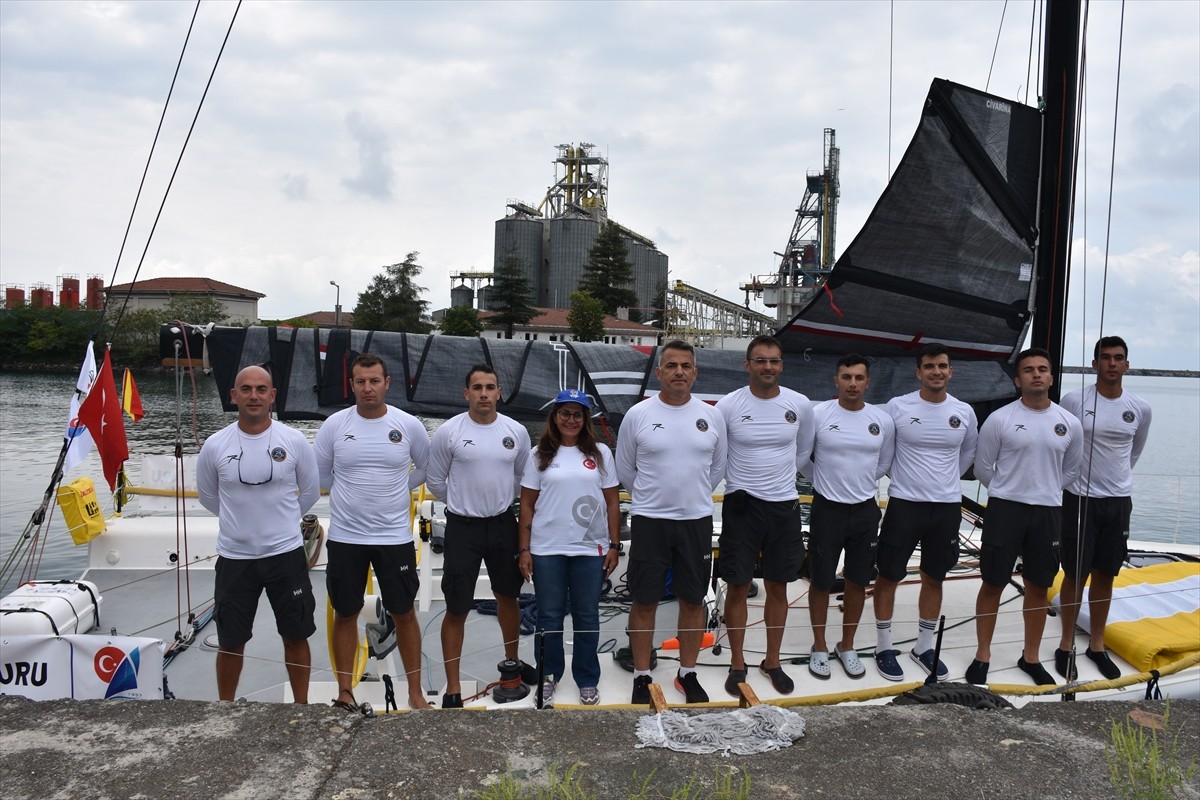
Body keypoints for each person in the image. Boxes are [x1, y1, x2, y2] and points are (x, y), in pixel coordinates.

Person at [314, 354, 432, 711]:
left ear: (387, 383)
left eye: (374, 381)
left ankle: (415, 693)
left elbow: (423, 468)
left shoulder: (408, 425)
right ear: (352, 385)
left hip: (393, 538)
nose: (368, 388)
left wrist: (397, 488)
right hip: (347, 537)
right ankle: (345, 691)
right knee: (345, 612)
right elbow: (321, 476)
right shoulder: (334, 425)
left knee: (404, 612)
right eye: (361, 381)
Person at [197, 364, 320, 702]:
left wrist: (279, 522)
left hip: (285, 556)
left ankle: (301, 705)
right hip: (236, 559)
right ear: (233, 395)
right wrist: (241, 522)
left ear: (272, 396)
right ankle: (225, 706)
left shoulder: (293, 441)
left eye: (261, 389)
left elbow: (309, 491)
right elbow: (208, 496)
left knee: (296, 635)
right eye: (246, 389)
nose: (254, 396)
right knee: (231, 640)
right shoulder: (215, 445)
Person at [616, 340, 727, 705]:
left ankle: (686, 672)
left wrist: (690, 495)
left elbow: (717, 467)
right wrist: (653, 496)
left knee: (692, 600)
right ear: (660, 372)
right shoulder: (639, 415)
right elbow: (625, 468)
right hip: (650, 520)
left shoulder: (711, 416)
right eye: (672, 365)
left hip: (695, 520)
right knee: (644, 600)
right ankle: (643, 674)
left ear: (695, 373)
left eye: (686, 366)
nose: (679, 372)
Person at [968, 347, 1083, 686]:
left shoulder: (1069, 423)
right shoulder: (1000, 419)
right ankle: (982, 654)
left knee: (1038, 586)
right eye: (1029, 370)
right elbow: (982, 468)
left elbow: (1072, 470)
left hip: (1048, 512)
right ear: (1018, 380)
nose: (1036, 374)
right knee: (993, 582)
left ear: (1050, 377)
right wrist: (1011, 490)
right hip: (1005, 509)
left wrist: (1043, 490)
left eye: (1042, 369)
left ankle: (1030, 657)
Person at [427, 363, 533, 708]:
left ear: (499, 392)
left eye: (490, 387)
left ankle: (512, 666)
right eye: (477, 388)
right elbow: (436, 480)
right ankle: (453, 686)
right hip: (462, 527)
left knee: (507, 597)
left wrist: (495, 501)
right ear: (466, 394)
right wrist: (463, 502)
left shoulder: (516, 431)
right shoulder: (449, 432)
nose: (484, 394)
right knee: (457, 606)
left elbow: (522, 480)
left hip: (503, 524)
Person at [715, 334, 814, 696]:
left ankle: (772, 660)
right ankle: (737, 661)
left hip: (783, 505)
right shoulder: (727, 406)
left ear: (781, 365)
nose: (767, 367)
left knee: (778, 586)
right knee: (738, 586)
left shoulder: (799, 405)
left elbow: (803, 451)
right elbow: (719, 456)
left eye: (773, 360)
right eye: (760, 360)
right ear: (747, 365)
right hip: (742, 505)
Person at [873, 344, 978, 682]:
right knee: (889, 575)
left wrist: (942, 483)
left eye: (942, 366)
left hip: (946, 507)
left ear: (951, 372)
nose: (936, 371)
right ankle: (883, 646)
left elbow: (967, 456)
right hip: (905, 503)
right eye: (929, 366)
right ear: (918, 372)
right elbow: (886, 456)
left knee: (935, 576)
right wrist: (910, 481)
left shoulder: (964, 411)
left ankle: (924, 645)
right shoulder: (898, 407)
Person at [1055, 336, 1152, 680]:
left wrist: (1116, 484)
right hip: (1080, 498)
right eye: (1106, 358)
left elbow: (1133, 452)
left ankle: (1097, 645)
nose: (1112, 363)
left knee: (1106, 575)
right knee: (1076, 574)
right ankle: (1066, 645)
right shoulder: (1074, 400)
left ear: (1127, 365)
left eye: (1119, 358)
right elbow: (1061, 443)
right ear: (1095, 365)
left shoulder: (1139, 408)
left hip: (1117, 501)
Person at [517, 389, 620, 706]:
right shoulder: (539, 455)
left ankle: (587, 678)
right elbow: (527, 505)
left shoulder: (601, 453)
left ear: (585, 418)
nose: (571, 419)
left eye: (578, 414)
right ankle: (548, 677)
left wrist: (614, 545)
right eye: (565, 413)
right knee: (548, 616)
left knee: (587, 616)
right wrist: (524, 550)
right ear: (555, 417)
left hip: (591, 550)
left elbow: (612, 501)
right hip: (547, 549)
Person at [799, 354, 895, 681]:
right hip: (828, 509)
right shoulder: (818, 415)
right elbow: (803, 459)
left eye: (858, 378)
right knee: (821, 581)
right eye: (846, 377)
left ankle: (848, 645)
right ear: (836, 381)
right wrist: (824, 480)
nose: (852, 383)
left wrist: (861, 481)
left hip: (865, 510)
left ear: (868, 382)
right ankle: (820, 645)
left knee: (858, 580)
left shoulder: (881, 420)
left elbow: (884, 463)